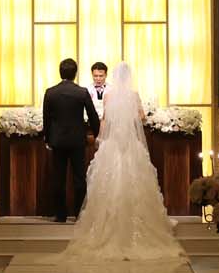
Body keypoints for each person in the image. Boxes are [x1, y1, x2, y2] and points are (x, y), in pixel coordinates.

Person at [64, 62, 181, 262]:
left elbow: (104, 119)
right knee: (136, 181)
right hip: (130, 143)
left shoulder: (109, 96)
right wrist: (130, 120)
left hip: (112, 143)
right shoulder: (134, 96)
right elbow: (141, 117)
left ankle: (105, 226)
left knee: (107, 184)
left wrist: (101, 139)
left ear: (113, 77)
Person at [42, 59, 98, 223]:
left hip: (58, 140)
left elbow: (47, 119)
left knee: (58, 178)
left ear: (60, 72)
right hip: (77, 140)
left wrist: (47, 138)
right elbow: (92, 115)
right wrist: (96, 134)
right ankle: (79, 214)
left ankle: (60, 215)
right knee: (79, 177)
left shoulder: (50, 92)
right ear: (75, 73)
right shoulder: (81, 92)